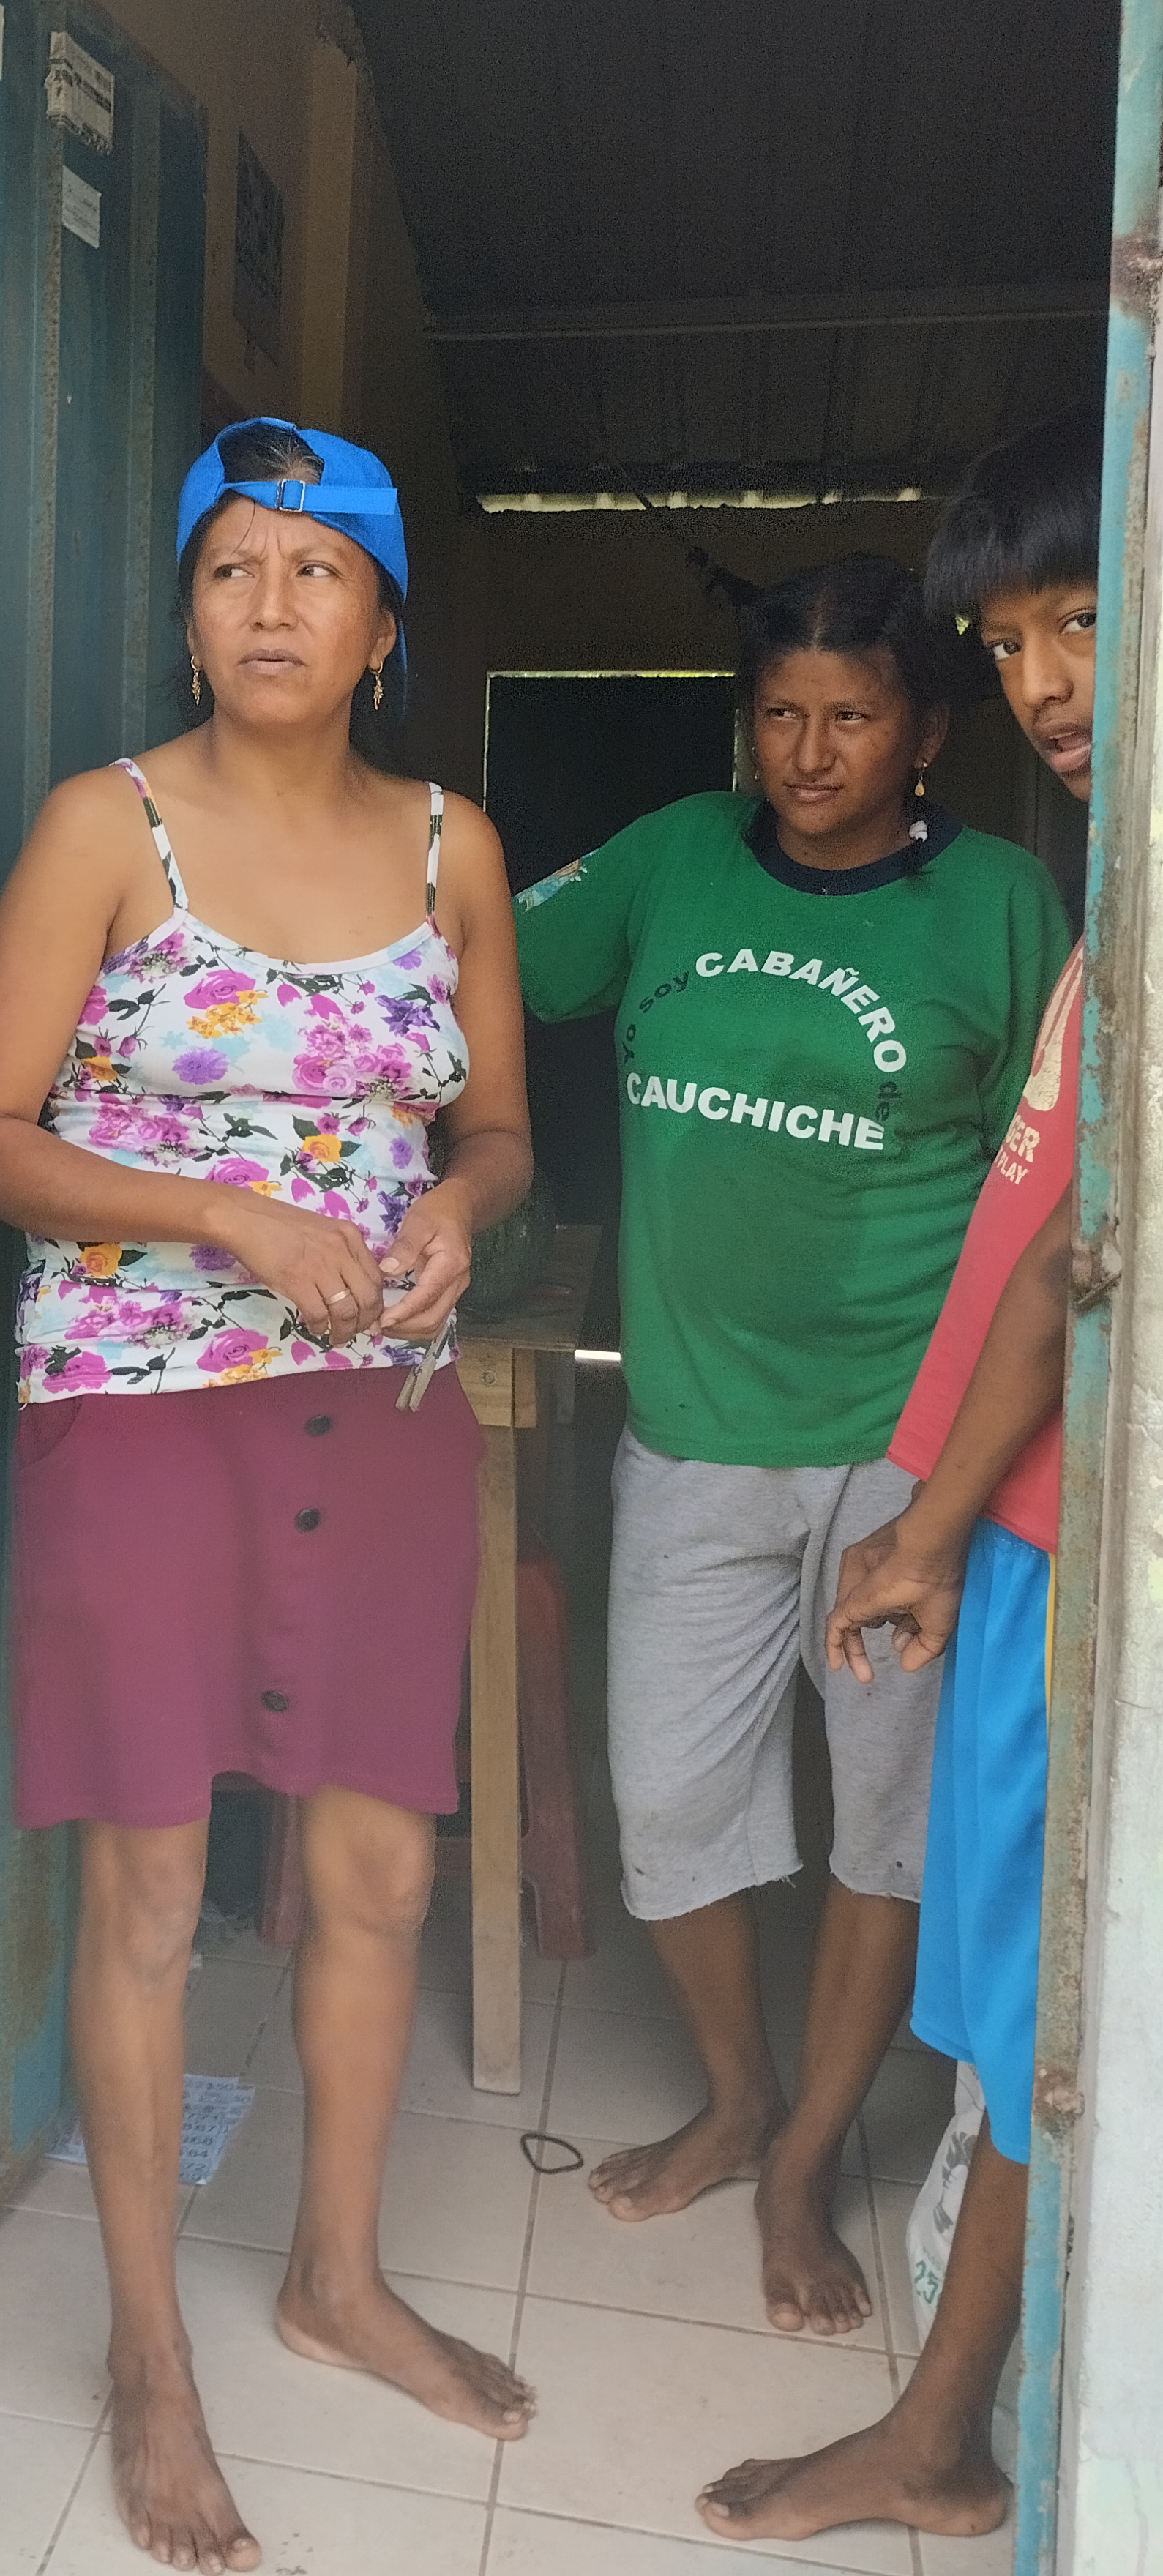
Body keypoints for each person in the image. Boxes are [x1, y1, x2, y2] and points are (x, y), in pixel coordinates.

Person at [0, 417, 536, 2576]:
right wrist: (221, 1216)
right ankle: (146, 2357)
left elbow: (499, 1133)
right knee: (152, 1889)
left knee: (377, 1864)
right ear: (189, 614)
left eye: (316, 570)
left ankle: (336, 2281)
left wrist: (458, 1209)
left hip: (379, 1402)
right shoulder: (106, 827)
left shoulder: (455, 848)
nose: (270, 605)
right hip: (141, 1404)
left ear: (383, 625)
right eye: (231, 568)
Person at [515, 555, 1071, 2338]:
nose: (811, 752)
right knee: (669, 1802)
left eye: (853, 716)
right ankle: (741, 2094)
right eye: (780, 715)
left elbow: (1056, 1192)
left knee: (888, 1830)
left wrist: (959, 1489)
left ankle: (802, 2156)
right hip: (691, 1428)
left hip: (911, 1450)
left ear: (925, 733)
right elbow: (471, 958)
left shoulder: (1002, 905)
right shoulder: (672, 858)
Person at [698, 410, 1099, 2547]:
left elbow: (1071, 1258)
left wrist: (931, 1520)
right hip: (1016, 1525)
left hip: (1053, 1531)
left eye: (1084, 622)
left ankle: (940, 2436)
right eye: (1013, 639)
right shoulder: (1118, 892)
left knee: (1044, 2012)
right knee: (1019, 2000)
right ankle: (954, 2415)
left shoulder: (1062, 902)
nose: (1047, 683)